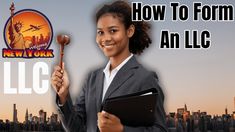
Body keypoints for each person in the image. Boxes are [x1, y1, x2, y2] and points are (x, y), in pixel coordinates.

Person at [51, 1, 167, 132]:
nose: (105, 38)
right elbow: (75, 128)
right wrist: (63, 95)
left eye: (113, 30)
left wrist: (121, 129)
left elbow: (160, 129)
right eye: (100, 32)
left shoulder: (145, 78)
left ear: (129, 31)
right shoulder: (92, 78)